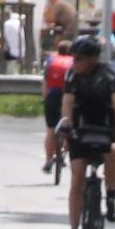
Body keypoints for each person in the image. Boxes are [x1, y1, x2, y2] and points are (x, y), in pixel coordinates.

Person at [56, 35, 115, 229]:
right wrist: (66, 124)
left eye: (79, 59)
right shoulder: (72, 76)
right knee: (77, 178)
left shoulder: (110, 75)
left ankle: (110, 197)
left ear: (93, 59)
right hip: (81, 128)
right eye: (74, 58)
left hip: (104, 126)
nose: (75, 62)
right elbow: (67, 104)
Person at [40, 39, 72, 174]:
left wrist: (45, 97)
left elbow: (46, 82)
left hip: (52, 96)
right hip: (68, 97)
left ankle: (48, 159)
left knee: (50, 130)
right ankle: (64, 154)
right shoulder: (74, 61)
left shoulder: (51, 61)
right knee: (70, 129)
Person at [0, 5, 25, 73]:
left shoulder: (6, 24)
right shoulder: (17, 22)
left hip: (12, 53)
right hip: (23, 52)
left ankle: (2, 73)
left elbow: (0, 39)